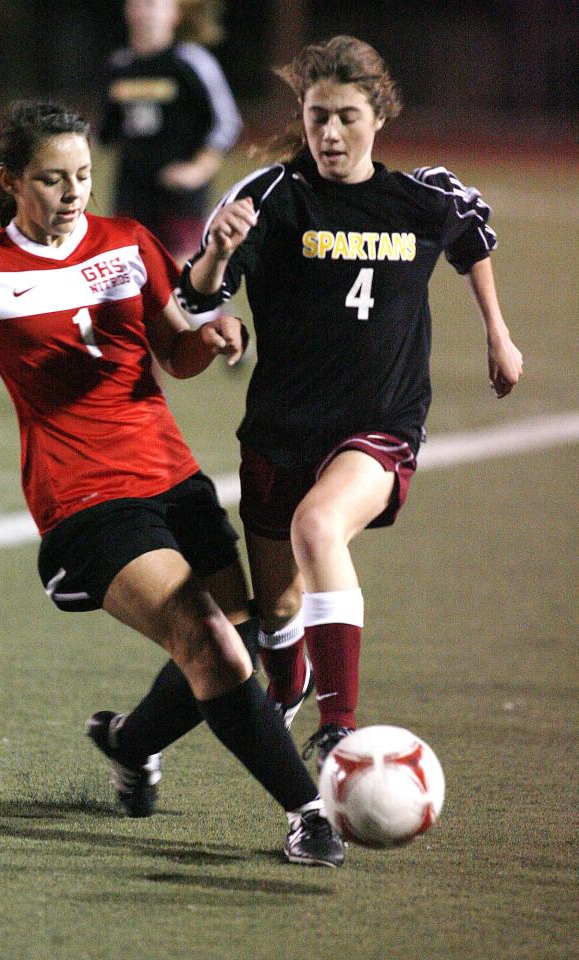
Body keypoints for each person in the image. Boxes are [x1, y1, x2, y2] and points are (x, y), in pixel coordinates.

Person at [0, 99, 344, 867]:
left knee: (236, 640)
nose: (72, 193)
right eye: (52, 179)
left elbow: (175, 353)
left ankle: (128, 743)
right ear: (9, 180)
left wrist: (218, 334)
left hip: (174, 479)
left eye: (83, 175)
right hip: (84, 500)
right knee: (213, 646)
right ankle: (310, 812)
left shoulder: (126, 242)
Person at [178, 35, 524, 770]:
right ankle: (292, 674)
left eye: (346, 117)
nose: (330, 134)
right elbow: (197, 295)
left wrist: (499, 332)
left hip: (380, 424)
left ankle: (339, 724)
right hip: (281, 429)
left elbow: (471, 234)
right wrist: (216, 272)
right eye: (316, 117)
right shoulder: (272, 197)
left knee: (318, 523)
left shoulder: (420, 197)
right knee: (275, 608)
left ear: (380, 117)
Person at [99, 0, 242, 266]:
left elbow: (227, 122)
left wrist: (198, 169)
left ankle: (215, 309)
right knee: (130, 286)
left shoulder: (190, 62)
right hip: (131, 194)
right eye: (138, 4)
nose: (144, 12)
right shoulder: (119, 65)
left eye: (153, 4)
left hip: (180, 201)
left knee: (180, 285)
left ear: (174, 14)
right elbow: (108, 133)